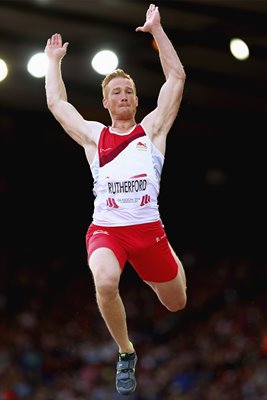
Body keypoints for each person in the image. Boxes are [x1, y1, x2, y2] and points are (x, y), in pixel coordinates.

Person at [44, 3, 187, 396]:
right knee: (105, 280)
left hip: (148, 231)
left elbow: (176, 77)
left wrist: (157, 31)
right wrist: (53, 62)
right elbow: (58, 105)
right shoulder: (95, 137)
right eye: (115, 93)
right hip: (107, 230)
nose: (122, 95)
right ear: (106, 102)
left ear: (137, 101)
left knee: (177, 303)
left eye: (128, 91)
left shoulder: (152, 131)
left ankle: (169, 254)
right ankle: (126, 352)